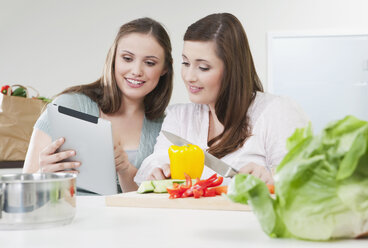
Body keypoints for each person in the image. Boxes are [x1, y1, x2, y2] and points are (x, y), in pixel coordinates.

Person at [134, 13, 309, 185]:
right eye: (186, 63)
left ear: (232, 70)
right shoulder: (179, 117)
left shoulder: (276, 111)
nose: (189, 76)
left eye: (203, 67)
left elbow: (305, 181)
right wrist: (158, 172)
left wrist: (272, 180)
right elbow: (154, 162)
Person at [23, 17, 173, 193]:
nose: (136, 71)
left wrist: (125, 168)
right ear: (113, 58)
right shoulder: (68, 106)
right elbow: (26, 188)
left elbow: (150, 200)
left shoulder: (164, 129)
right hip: (70, 217)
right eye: (127, 58)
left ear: (164, 69)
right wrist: (43, 174)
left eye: (149, 63)